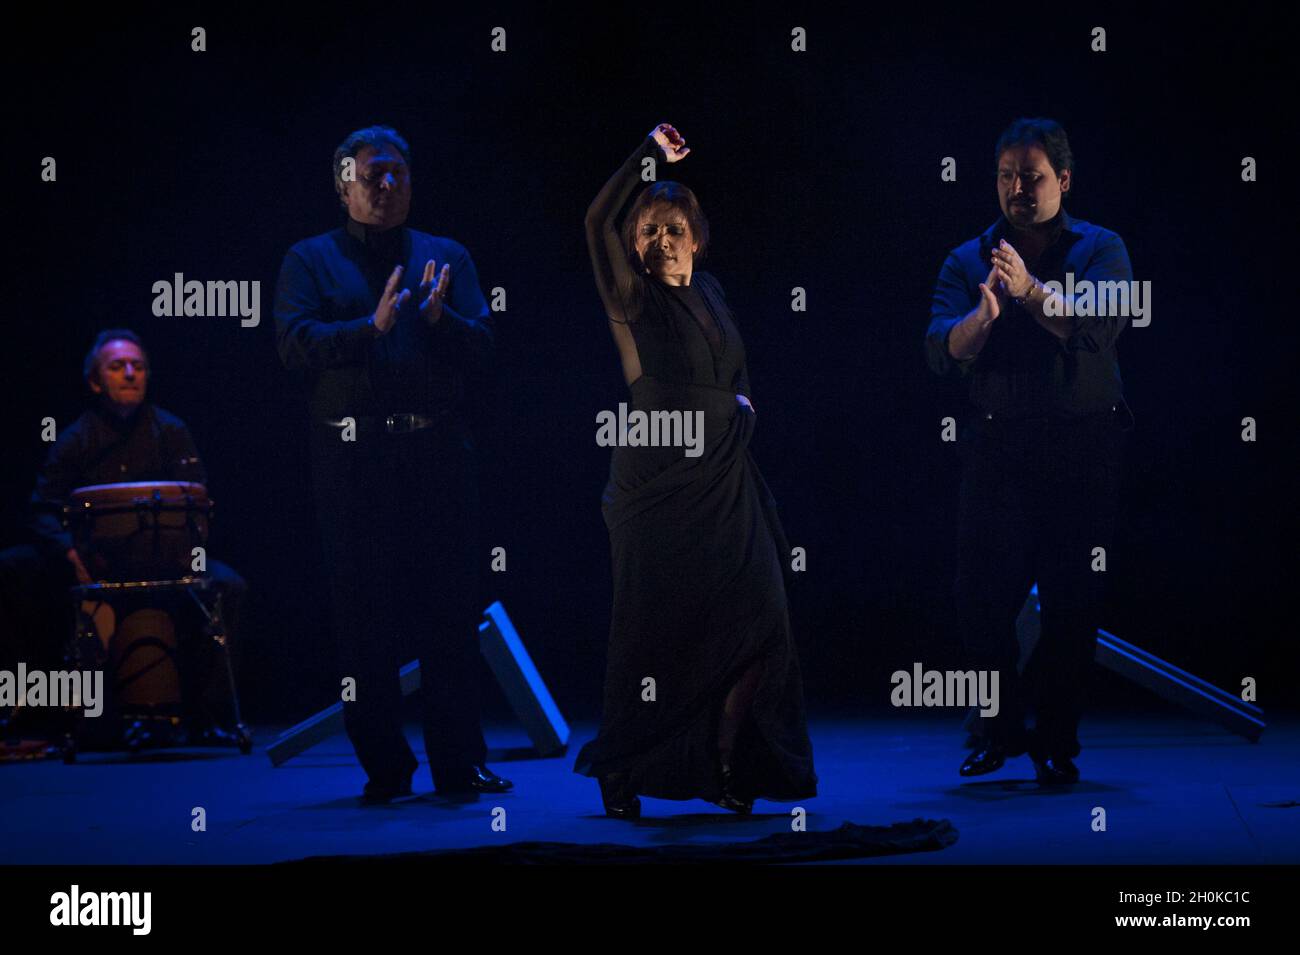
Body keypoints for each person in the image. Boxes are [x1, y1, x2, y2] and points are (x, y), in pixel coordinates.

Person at [574, 123, 817, 818]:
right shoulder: (633, 300)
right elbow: (596, 220)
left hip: (725, 475)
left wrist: (743, 404)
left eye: (674, 226)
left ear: (697, 236)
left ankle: (722, 756)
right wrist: (646, 157)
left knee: (762, 620)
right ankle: (622, 768)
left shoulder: (710, 292)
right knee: (650, 628)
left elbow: (733, 369)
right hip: (657, 481)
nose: (661, 238)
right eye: (648, 228)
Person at [273, 125, 511, 803]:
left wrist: (443, 323)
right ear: (343, 183)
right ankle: (385, 767)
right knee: (364, 618)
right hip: (353, 461)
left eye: (398, 173)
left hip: (437, 454)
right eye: (373, 173)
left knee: (449, 615)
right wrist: (367, 330)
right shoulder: (309, 259)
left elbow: (486, 350)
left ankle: (458, 764)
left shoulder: (446, 255)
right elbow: (293, 346)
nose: (386, 185)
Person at [926, 117, 1133, 785]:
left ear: (1063, 181)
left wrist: (1030, 293)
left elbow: (1097, 325)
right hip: (999, 447)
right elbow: (939, 348)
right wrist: (981, 320)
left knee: (1074, 602)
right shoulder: (967, 258)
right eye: (1008, 176)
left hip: (1083, 445)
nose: (1019, 188)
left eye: (1034, 177)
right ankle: (998, 727)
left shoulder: (1102, 247)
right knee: (979, 597)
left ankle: (1054, 739)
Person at [0, 329, 247, 742]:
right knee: (9, 570)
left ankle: (210, 716)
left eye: (138, 366)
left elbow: (199, 502)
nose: (130, 373)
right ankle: (29, 710)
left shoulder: (171, 431)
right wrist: (68, 554)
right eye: (117, 367)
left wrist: (190, 547)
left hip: (163, 561)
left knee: (230, 586)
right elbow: (42, 509)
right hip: (94, 565)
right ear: (96, 381)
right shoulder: (76, 439)